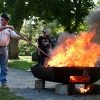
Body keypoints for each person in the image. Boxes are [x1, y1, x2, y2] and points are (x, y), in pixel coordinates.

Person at [0, 13, 28, 89]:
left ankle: (3, 83)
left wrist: (22, 37)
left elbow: (15, 36)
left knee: (4, 66)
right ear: (1, 19)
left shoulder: (8, 28)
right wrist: (7, 27)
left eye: (8, 21)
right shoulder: (5, 26)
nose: (7, 22)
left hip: (4, 49)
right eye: (6, 20)